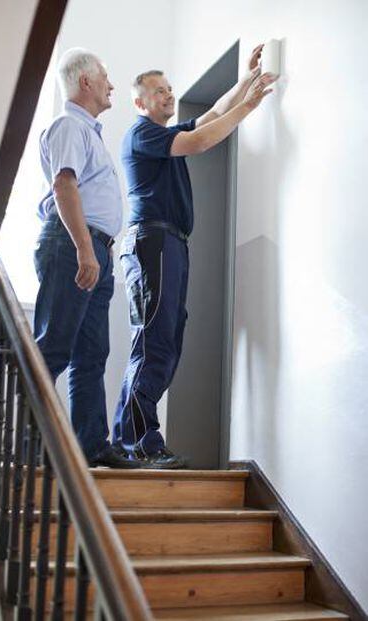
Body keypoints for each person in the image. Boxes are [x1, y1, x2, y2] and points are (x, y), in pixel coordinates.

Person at [113, 44, 277, 468]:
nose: (168, 95)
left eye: (170, 89)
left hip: (168, 243)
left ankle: (130, 437)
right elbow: (204, 139)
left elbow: (208, 117)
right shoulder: (142, 132)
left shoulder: (161, 134)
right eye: (159, 91)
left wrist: (246, 81)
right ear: (140, 102)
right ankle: (138, 443)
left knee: (162, 341)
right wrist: (252, 106)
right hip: (153, 242)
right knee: (154, 341)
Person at [34, 48, 140, 468]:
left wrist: (95, 251)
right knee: (54, 346)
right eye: (106, 78)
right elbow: (64, 187)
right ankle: (23, 445)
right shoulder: (68, 126)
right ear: (86, 82)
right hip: (73, 246)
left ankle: (91, 448)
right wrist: (83, 249)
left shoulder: (89, 133)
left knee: (92, 354)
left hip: (95, 249)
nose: (111, 85)